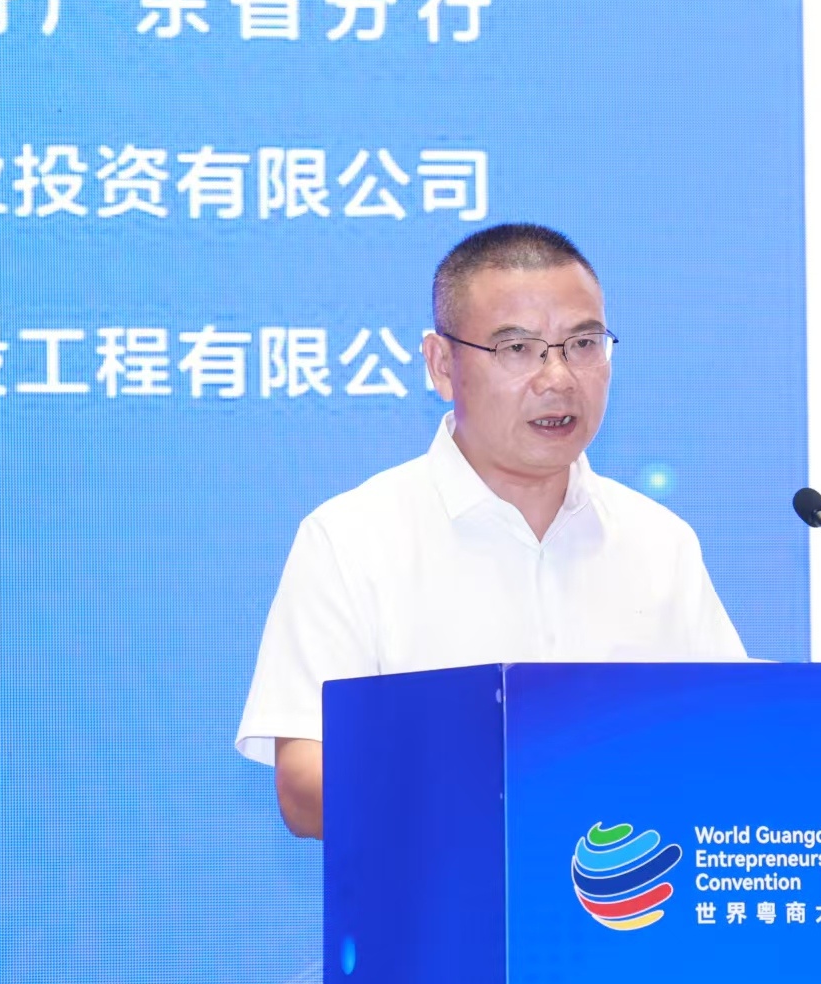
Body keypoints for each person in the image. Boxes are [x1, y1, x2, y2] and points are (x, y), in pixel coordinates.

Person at [235, 223, 747, 839]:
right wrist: (501, 796)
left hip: (634, 892)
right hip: (438, 895)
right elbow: (304, 785)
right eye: (518, 349)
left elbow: (734, 741)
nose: (558, 377)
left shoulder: (660, 542)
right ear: (441, 365)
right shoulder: (353, 539)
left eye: (583, 344)